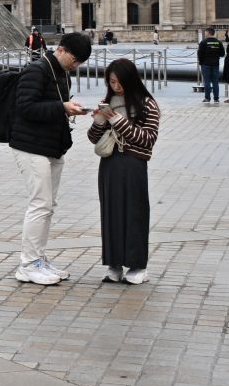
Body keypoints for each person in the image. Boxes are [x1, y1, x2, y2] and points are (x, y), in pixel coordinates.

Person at [9, 31, 92, 287]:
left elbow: (52, 104)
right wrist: (62, 107)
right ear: (62, 50)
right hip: (30, 146)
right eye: (75, 60)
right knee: (40, 204)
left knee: (48, 205)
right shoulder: (36, 70)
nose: (76, 66)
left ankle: (38, 258)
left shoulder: (60, 72)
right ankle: (28, 264)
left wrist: (68, 107)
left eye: (80, 63)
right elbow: (25, 107)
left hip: (51, 145)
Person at [87, 56, 160, 284]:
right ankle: (114, 264)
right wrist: (99, 121)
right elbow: (93, 138)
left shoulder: (147, 104)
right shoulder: (108, 101)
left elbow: (147, 139)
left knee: (134, 213)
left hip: (134, 163)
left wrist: (119, 121)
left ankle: (138, 266)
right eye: (112, 82)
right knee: (111, 213)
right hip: (110, 163)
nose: (116, 86)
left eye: (120, 82)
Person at [194, 27, 223, 103]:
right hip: (215, 64)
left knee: (207, 82)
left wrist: (201, 62)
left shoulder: (203, 42)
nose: (205, 33)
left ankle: (207, 98)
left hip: (206, 64)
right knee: (215, 82)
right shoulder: (218, 42)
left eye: (206, 32)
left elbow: (199, 54)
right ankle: (216, 98)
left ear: (208, 33)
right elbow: (222, 53)